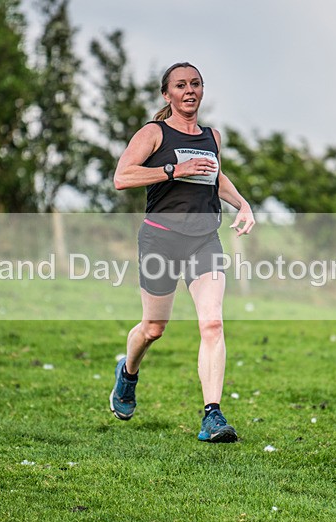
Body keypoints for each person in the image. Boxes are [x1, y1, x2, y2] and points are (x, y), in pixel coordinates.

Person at [109, 62, 255, 443]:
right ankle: (128, 373)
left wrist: (242, 203)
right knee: (153, 328)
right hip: (160, 239)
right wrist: (174, 169)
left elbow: (214, 175)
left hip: (204, 239)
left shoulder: (212, 136)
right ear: (167, 94)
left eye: (195, 84)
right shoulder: (153, 133)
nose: (189, 90)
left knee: (212, 324)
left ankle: (212, 416)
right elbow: (122, 177)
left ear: (202, 90)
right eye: (180, 85)